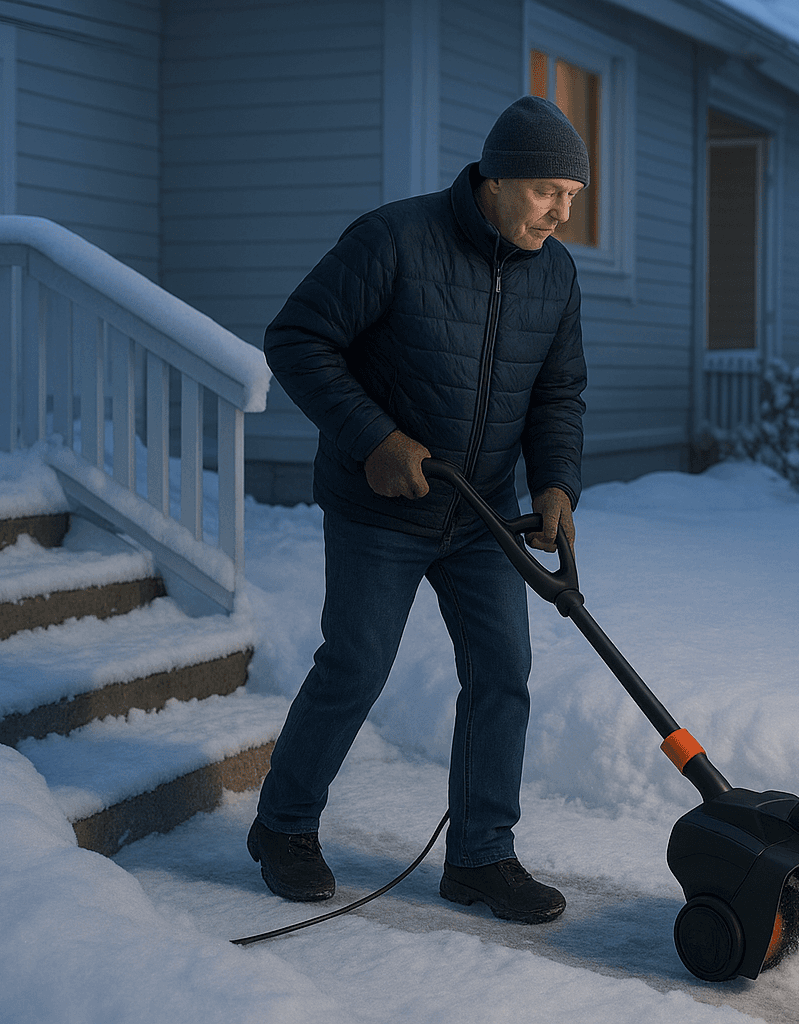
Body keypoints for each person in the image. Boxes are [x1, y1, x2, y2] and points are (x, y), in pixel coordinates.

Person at [246, 96, 589, 925]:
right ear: (497, 178)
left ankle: (480, 857)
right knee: (357, 664)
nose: (562, 211)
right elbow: (296, 338)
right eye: (548, 190)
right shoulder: (394, 239)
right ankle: (283, 827)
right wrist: (375, 439)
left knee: (502, 674)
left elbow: (558, 393)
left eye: (573, 196)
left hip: (482, 515)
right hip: (381, 507)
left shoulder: (555, 272)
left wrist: (556, 485)